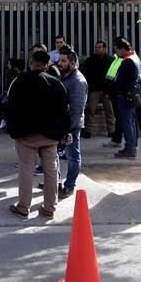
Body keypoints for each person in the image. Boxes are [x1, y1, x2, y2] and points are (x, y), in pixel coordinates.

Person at [6, 50, 69, 220]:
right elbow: (65, 111)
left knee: (26, 168)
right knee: (51, 170)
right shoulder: (57, 84)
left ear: (31, 62)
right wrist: (64, 132)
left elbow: (10, 108)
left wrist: (13, 131)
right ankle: (49, 207)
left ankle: (23, 207)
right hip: (50, 136)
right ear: (47, 65)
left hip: (26, 134)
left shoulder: (19, 82)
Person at [57, 48, 88, 200]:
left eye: (63, 61)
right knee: (58, 154)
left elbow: (76, 109)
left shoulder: (77, 82)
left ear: (73, 63)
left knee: (73, 156)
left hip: (71, 126)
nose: (59, 63)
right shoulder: (67, 77)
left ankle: (69, 186)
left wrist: (68, 130)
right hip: (63, 125)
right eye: (59, 60)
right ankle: (56, 183)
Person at [109, 37, 141, 159]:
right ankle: (132, 145)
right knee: (131, 121)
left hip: (125, 94)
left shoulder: (127, 61)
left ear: (122, 49)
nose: (116, 53)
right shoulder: (135, 58)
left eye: (117, 50)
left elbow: (121, 80)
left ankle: (130, 148)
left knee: (126, 122)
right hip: (133, 93)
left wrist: (114, 89)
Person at [80, 40, 115, 139]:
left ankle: (111, 131)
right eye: (96, 47)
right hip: (94, 90)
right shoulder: (90, 60)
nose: (97, 49)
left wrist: (110, 88)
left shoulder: (110, 60)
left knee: (110, 111)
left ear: (104, 48)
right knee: (90, 110)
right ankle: (88, 131)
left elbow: (113, 76)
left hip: (107, 90)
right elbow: (85, 73)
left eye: (99, 47)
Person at [0, 58, 24, 129]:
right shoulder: (11, 74)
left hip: (13, 96)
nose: (7, 65)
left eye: (8, 64)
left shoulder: (19, 76)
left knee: (1, 99)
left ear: (15, 67)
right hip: (10, 94)